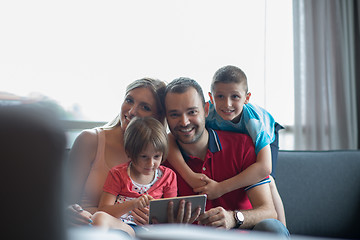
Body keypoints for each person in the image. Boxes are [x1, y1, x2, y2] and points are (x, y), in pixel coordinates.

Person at [163, 77, 289, 236]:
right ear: (166, 118)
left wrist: (233, 218)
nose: (184, 121)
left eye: (192, 112)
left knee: (273, 227)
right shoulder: (158, 159)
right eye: (174, 115)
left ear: (206, 110)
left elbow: (269, 212)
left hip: (239, 235)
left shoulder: (243, 145)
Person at [66, 78, 166, 228]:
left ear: (158, 117)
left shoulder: (160, 153)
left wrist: (152, 218)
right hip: (89, 229)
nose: (132, 111)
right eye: (129, 100)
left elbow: (165, 212)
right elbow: (64, 200)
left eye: (145, 107)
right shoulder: (90, 140)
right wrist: (68, 211)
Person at [93, 117, 177, 236]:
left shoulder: (168, 176)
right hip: (122, 227)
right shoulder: (118, 173)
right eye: (144, 157)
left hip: (150, 231)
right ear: (130, 152)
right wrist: (134, 204)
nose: (151, 163)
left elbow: (171, 215)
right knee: (99, 217)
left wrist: (152, 220)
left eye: (157, 156)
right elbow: (103, 210)